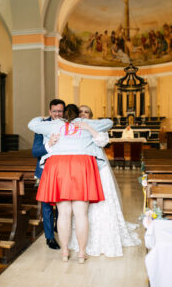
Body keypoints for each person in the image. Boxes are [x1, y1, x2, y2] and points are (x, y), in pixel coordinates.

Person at [28, 104, 113, 263]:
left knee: (64, 213)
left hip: (59, 165)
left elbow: (32, 124)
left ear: (64, 114)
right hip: (81, 164)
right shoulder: (87, 124)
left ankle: (65, 252)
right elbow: (109, 122)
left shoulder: (55, 123)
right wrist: (87, 125)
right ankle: (81, 253)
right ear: (78, 115)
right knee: (81, 214)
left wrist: (43, 117)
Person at [68, 105, 141, 257]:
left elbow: (102, 142)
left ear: (91, 115)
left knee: (103, 201)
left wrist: (89, 127)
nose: (83, 114)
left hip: (99, 169)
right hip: (82, 170)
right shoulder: (73, 127)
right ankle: (82, 238)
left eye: (86, 112)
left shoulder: (97, 125)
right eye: (80, 112)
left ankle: (105, 236)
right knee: (83, 205)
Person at [31, 99, 65, 250]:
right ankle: (49, 238)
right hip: (45, 170)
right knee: (46, 205)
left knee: (62, 203)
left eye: (60, 111)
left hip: (63, 170)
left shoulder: (67, 125)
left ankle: (59, 227)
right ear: (50, 111)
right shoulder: (41, 126)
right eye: (55, 111)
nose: (57, 114)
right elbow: (35, 152)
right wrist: (49, 144)